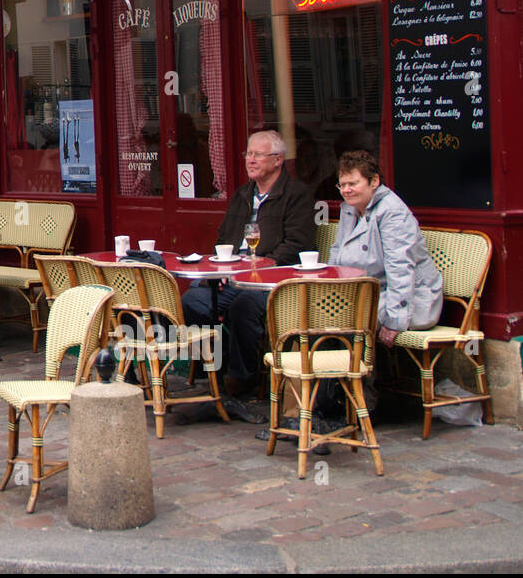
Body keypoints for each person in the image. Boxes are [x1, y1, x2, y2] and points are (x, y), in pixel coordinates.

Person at [180, 130, 315, 394]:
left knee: (244, 306)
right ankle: (214, 371)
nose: (250, 160)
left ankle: (242, 379)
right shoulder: (243, 194)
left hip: (272, 280)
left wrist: (264, 265)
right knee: (193, 302)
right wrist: (220, 269)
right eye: (248, 154)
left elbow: (298, 245)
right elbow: (223, 237)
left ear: (278, 160)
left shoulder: (296, 195)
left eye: (258, 155)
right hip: (234, 276)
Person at [329, 150, 442, 347]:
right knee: (313, 311)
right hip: (366, 293)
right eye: (342, 184)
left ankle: (353, 375)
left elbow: (400, 268)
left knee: (338, 319)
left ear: (374, 182)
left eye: (353, 184)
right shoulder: (349, 209)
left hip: (411, 299)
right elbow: (337, 253)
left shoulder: (392, 213)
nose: (346, 190)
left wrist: (395, 320)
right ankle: (333, 375)